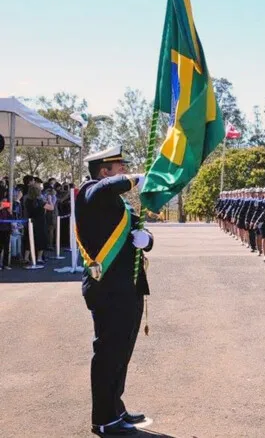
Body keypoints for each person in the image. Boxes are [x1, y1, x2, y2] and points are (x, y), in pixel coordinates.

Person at [76, 146, 154, 436]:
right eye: (119, 166)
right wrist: (140, 178)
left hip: (129, 288)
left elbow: (144, 235)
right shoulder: (89, 193)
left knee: (122, 353)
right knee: (108, 354)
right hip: (107, 288)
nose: (124, 170)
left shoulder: (122, 206)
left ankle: (116, 408)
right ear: (103, 171)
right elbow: (106, 188)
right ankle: (104, 419)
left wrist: (146, 241)